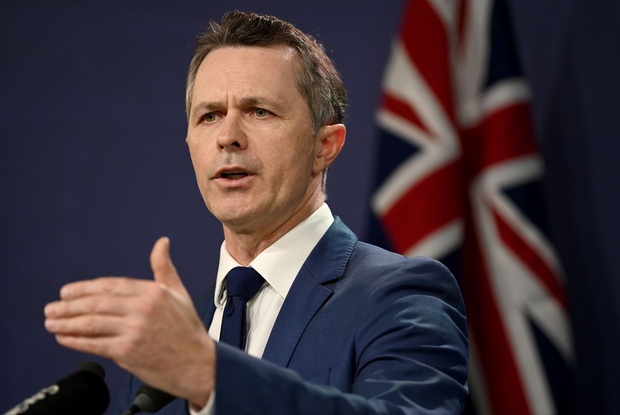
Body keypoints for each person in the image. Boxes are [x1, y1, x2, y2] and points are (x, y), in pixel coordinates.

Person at [44, 10, 468, 415]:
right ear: (189, 143)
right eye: (209, 116)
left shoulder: (400, 295)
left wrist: (207, 374)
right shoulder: (171, 344)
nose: (228, 136)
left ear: (325, 146)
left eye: (259, 112)